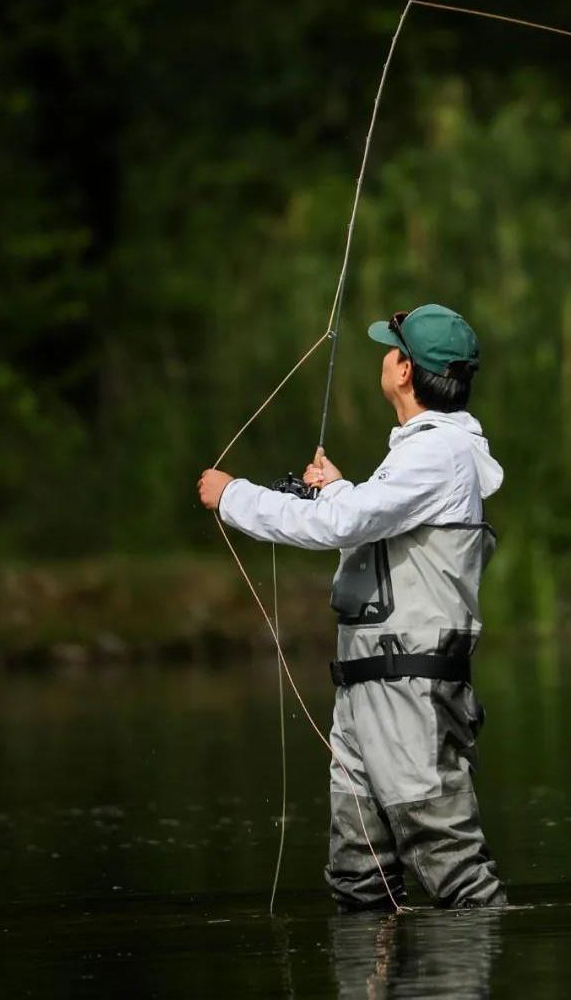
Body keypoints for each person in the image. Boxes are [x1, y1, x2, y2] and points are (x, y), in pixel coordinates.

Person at [197, 303, 507, 910]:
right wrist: (341, 490)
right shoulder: (424, 453)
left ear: (404, 372)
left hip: (409, 698)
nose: (385, 356)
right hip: (370, 693)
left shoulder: (436, 453)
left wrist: (234, 496)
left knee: (454, 874)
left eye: (392, 349)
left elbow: (341, 525)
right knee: (359, 879)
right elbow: (381, 524)